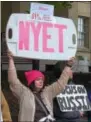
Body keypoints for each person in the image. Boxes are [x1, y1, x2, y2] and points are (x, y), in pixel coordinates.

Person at [7, 50, 74, 122]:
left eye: (42, 79)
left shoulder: (48, 92)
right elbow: (13, 80)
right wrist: (11, 60)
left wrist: (68, 66)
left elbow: (60, 83)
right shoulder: (24, 93)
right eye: (38, 79)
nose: (41, 81)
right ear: (32, 82)